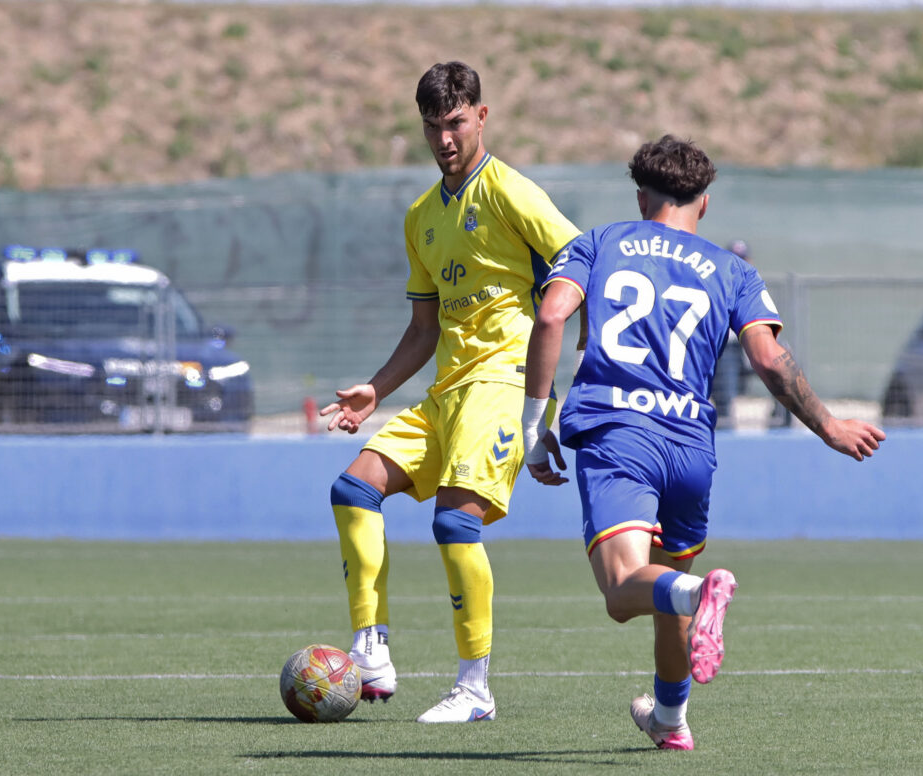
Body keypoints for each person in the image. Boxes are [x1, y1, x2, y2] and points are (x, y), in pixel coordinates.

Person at [521, 136, 884, 750]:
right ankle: (670, 719)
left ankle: (697, 589)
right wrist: (829, 425)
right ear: (705, 204)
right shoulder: (733, 269)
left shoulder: (601, 242)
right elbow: (770, 360)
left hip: (618, 433)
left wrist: (535, 426)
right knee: (664, 595)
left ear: (642, 197)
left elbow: (553, 314)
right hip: (690, 447)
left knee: (624, 591)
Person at [320, 61, 580, 724]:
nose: (446, 137)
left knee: (454, 521)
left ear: (482, 117)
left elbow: (581, 264)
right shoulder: (420, 219)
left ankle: (475, 688)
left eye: (457, 121)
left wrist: (553, 393)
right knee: (353, 489)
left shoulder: (510, 192)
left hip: (501, 383)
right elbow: (422, 327)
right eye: (435, 125)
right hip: (446, 390)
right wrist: (374, 391)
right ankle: (370, 643)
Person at [710, 239, 753, 423]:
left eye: (742, 259)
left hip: (746, 347)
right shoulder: (717, 285)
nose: (739, 264)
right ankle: (725, 431)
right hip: (725, 348)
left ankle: (781, 419)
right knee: (724, 400)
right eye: (735, 259)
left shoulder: (753, 285)